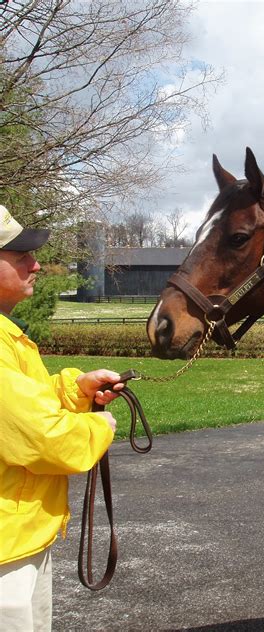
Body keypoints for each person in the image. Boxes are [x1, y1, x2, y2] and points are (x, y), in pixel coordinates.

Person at [0, 205, 123, 631]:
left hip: (20, 538)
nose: (36, 265)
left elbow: (20, 405)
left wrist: (75, 389)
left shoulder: (6, 336)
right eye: (19, 258)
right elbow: (40, 438)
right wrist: (99, 427)